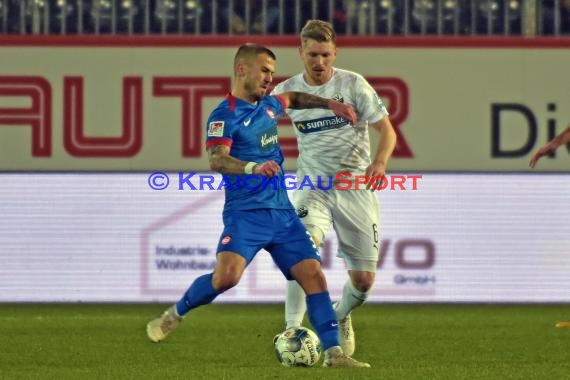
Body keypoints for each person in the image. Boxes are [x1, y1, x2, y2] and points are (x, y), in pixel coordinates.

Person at [146, 43, 370, 368]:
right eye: (264, 70)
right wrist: (253, 167)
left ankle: (335, 354)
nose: (270, 78)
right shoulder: (224, 115)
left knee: (314, 277)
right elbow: (217, 160)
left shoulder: (267, 106)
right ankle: (175, 313)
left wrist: (328, 104)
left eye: (272, 72)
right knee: (226, 279)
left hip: (282, 215)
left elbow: (292, 98)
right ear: (242, 69)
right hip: (246, 216)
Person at [271, 19, 397, 356]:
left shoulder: (354, 84)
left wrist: (381, 162)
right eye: (312, 54)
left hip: (355, 187)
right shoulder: (285, 92)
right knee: (302, 248)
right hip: (313, 185)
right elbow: (257, 127)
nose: (319, 62)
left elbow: (387, 131)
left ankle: (340, 315)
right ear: (301, 53)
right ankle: (292, 329)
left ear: (335, 53)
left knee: (364, 282)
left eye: (325, 55)